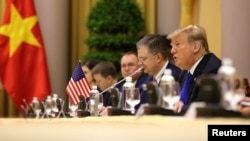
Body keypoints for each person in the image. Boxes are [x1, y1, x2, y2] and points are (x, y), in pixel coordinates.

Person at [167, 25, 222, 115]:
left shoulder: (213, 69)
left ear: (196, 47)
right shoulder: (185, 72)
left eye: (178, 44)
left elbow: (202, 107)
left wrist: (180, 107)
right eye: (172, 46)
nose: (172, 51)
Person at [136, 34, 182, 109]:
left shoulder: (176, 77)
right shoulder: (147, 81)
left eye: (143, 59)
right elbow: (139, 108)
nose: (139, 63)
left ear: (158, 57)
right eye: (139, 60)